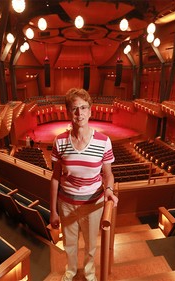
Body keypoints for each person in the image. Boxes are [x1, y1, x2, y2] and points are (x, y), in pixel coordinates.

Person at [49, 88, 118, 281]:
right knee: (69, 244)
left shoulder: (104, 142)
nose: (79, 113)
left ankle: (89, 273)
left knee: (90, 246)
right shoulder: (60, 141)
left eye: (83, 108)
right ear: (68, 112)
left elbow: (108, 175)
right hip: (66, 203)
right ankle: (70, 271)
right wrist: (53, 210)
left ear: (90, 111)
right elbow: (55, 177)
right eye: (74, 109)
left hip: (93, 205)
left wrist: (110, 190)